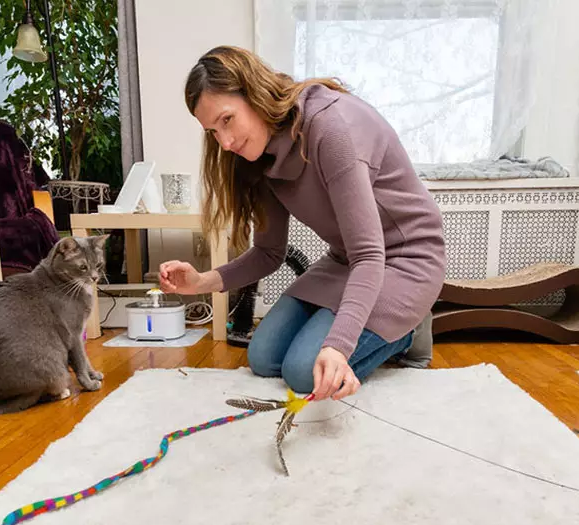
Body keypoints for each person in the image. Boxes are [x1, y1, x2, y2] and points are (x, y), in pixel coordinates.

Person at [159, 46, 445, 401]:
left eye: (227, 120)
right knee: (263, 357)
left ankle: (408, 331)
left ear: (254, 93)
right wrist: (202, 281)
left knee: (302, 372)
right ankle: (357, 329)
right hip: (347, 261)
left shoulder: (332, 130)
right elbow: (268, 253)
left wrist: (339, 347)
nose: (226, 142)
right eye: (213, 132)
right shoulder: (259, 154)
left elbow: (370, 255)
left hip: (406, 262)